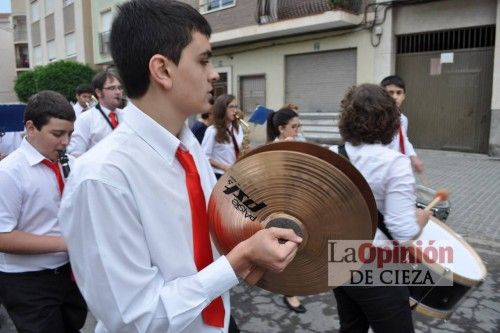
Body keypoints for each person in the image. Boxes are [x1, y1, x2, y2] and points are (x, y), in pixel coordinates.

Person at [58, 1, 302, 332]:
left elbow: (204, 233)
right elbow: (135, 319)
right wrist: (238, 261)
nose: (214, 74)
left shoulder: (187, 147)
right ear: (162, 70)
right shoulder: (101, 179)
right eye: (203, 60)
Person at [329, 84, 430, 333]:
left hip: (338, 259)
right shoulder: (395, 163)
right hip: (377, 265)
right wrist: (422, 219)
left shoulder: (331, 154)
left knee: (351, 328)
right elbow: (402, 231)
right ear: (389, 121)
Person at [0, 90, 87, 333]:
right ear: (30, 128)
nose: (66, 142)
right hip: (27, 280)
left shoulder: (72, 164)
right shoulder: (8, 173)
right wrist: (66, 242)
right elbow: (2, 236)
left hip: (70, 273)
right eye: (57, 134)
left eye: (70, 134)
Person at [266, 104, 307, 314]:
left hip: (299, 200)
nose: (297, 132)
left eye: (299, 127)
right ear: (281, 129)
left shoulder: (297, 143)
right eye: (294, 127)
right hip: (281, 205)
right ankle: (289, 292)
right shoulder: (272, 150)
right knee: (288, 246)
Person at [67, 70, 123, 157]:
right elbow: (76, 154)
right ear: (98, 92)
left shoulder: (127, 116)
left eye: (119, 88)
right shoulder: (85, 119)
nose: (118, 92)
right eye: (112, 88)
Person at [380, 75, 424, 174]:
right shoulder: (376, 119)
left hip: (397, 167)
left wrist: (413, 157)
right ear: (382, 95)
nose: (395, 97)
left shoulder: (403, 119)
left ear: (404, 96)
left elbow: (403, 139)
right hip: (381, 168)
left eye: (399, 93)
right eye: (390, 93)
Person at [201, 94, 243, 179]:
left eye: (236, 107)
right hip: (219, 176)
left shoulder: (238, 128)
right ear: (222, 109)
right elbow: (204, 157)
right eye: (231, 107)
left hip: (236, 174)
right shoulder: (212, 131)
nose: (235, 110)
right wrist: (224, 167)